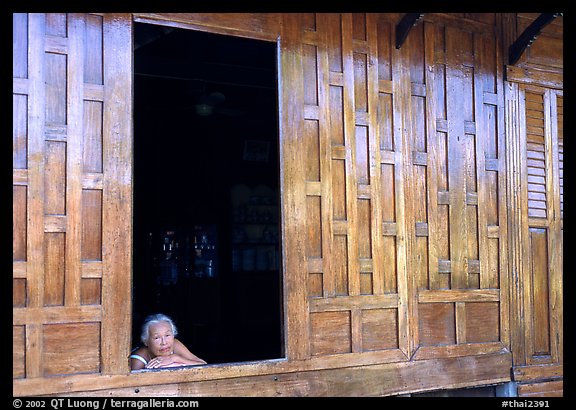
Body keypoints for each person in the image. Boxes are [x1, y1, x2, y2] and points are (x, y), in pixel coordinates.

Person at [130, 313, 206, 370]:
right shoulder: (138, 360)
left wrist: (175, 358)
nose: (164, 342)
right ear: (146, 341)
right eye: (157, 338)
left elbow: (203, 364)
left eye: (167, 335)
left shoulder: (174, 344)